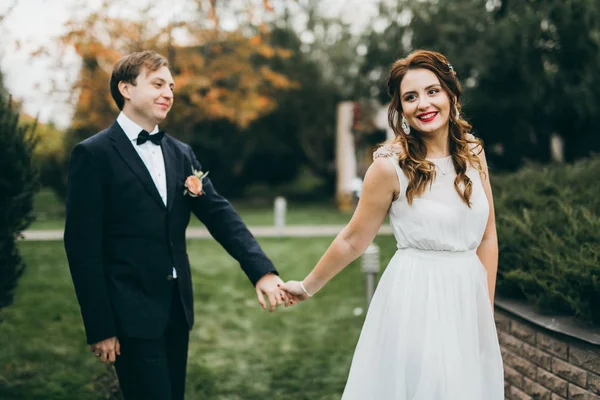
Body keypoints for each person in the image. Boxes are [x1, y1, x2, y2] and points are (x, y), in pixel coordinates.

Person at [63, 50, 291, 400]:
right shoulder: (93, 155)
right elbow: (82, 248)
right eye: (157, 84)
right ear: (126, 88)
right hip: (128, 314)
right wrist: (100, 325)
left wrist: (261, 271)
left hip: (176, 309)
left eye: (170, 86)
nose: (168, 93)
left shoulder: (180, 153)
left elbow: (221, 216)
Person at [280, 50, 504, 399]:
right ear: (400, 109)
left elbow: (488, 238)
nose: (423, 104)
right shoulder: (389, 168)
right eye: (410, 97)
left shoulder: (474, 152)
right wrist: (307, 286)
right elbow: (353, 240)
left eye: (432, 91)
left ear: (451, 94)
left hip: (467, 301)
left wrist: (483, 313)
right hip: (416, 301)